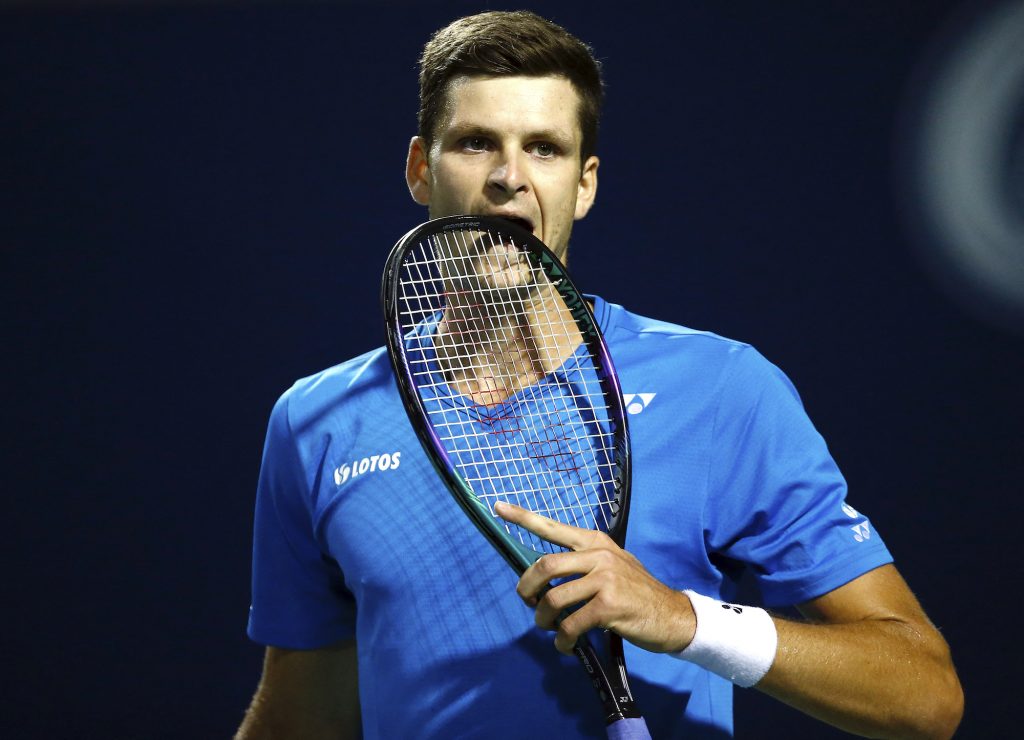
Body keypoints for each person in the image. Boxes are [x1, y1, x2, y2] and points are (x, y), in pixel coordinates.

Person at [236, 10, 963, 739]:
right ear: (421, 170)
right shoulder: (317, 421)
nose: (508, 178)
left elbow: (923, 695)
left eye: (544, 149)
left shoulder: (722, 392)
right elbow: (303, 719)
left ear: (584, 186)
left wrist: (683, 620)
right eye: (475, 143)